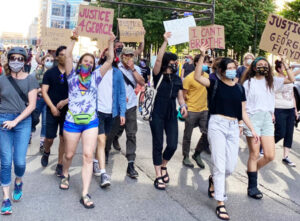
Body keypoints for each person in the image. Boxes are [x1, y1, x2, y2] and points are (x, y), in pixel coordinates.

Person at [194, 44, 258, 220]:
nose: (232, 71)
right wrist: (201, 55)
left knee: (230, 167)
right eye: (229, 68)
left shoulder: (239, 88)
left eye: (234, 68)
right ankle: (220, 203)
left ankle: (214, 180)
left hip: (233, 127)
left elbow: (243, 112)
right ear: (221, 71)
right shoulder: (214, 83)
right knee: (220, 165)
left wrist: (251, 128)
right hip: (217, 124)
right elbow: (198, 76)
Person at [59, 29, 115, 209]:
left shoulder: (97, 76)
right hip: (72, 122)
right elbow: (67, 56)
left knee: (88, 156)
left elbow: (110, 60)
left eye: (91, 62)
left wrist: (111, 42)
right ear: (80, 62)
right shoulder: (72, 77)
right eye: (85, 61)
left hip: (91, 121)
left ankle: (85, 192)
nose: (88, 64)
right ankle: (65, 173)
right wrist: (74, 38)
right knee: (68, 154)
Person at [241, 56, 295, 200]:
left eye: (265, 64)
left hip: (267, 119)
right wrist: (242, 123)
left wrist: (284, 63)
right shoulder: (248, 83)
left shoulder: (272, 82)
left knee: (270, 155)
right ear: (254, 67)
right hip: (253, 119)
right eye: (260, 64)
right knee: (254, 154)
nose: (263, 66)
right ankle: (252, 186)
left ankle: (252, 171)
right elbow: (243, 107)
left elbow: (291, 79)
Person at [0, 47, 39, 215]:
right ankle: (6, 198)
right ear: (8, 60)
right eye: (13, 58)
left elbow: (32, 105)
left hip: (21, 121)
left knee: (20, 162)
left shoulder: (30, 79)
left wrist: (15, 121)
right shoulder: (2, 79)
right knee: (6, 161)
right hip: (3, 121)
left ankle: (18, 181)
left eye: (20, 58)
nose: (16, 61)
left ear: (25, 61)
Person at [151, 32, 188, 190]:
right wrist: (165, 41)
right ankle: (158, 174)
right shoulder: (158, 75)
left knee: (172, 144)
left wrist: (183, 106)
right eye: (173, 62)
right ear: (167, 63)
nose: (175, 64)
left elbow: (180, 96)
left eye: (176, 62)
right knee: (158, 144)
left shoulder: (177, 78)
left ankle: (164, 164)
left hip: (171, 114)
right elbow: (158, 59)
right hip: (157, 113)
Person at [106, 47, 145, 178]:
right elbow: (110, 85)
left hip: (131, 106)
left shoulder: (137, 68)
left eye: (131, 55)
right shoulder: (116, 68)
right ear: (122, 56)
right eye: (126, 55)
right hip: (116, 106)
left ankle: (131, 163)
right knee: (112, 131)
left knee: (131, 134)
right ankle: (105, 152)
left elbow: (142, 82)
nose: (129, 58)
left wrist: (133, 69)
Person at [93, 48, 126, 188]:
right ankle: (103, 173)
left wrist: (122, 112)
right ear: (103, 56)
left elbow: (121, 94)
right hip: (97, 111)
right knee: (101, 140)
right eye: (108, 54)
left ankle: (95, 160)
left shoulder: (118, 73)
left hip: (111, 113)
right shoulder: (96, 71)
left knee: (103, 140)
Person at [41, 46, 69, 176]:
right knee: (49, 138)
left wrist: (66, 102)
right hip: (51, 110)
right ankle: (46, 151)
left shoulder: (73, 73)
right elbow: (44, 92)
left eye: (67, 54)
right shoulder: (50, 73)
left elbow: (77, 92)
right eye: (62, 54)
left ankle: (59, 163)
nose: (65, 56)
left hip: (68, 111)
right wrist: (52, 107)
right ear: (57, 57)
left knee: (63, 138)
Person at [182, 54, 210, 169]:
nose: (206, 65)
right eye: (203, 62)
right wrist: (184, 108)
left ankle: (197, 154)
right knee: (187, 135)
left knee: (207, 134)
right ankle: (186, 156)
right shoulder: (189, 78)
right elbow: (183, 95)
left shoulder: (207, 76)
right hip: (191, 110)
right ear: (196, 64)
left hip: (204, 110)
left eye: (207, 62)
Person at [274, 59, 299, 167]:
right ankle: (264, 146)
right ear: (279, 69)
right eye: (284, 67)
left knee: (289, 133)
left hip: (290, 109)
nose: (287, 68)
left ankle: (286, 157)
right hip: (279, 108)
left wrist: (295, 109)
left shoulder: (290, 78)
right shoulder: (276, 79)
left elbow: (292, 94)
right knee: (281, 132)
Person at [31, 54, 54, 153]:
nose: (50, 62)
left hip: (48, 100)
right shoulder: (36, 72)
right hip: (38, 99)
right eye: (47, 60)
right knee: (34, 118)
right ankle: (30, 132)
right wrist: (39, 90)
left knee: (45, 122)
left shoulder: (55, 73)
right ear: (43, 61)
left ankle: (42, 143)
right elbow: (31, 85)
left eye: (52, 61)